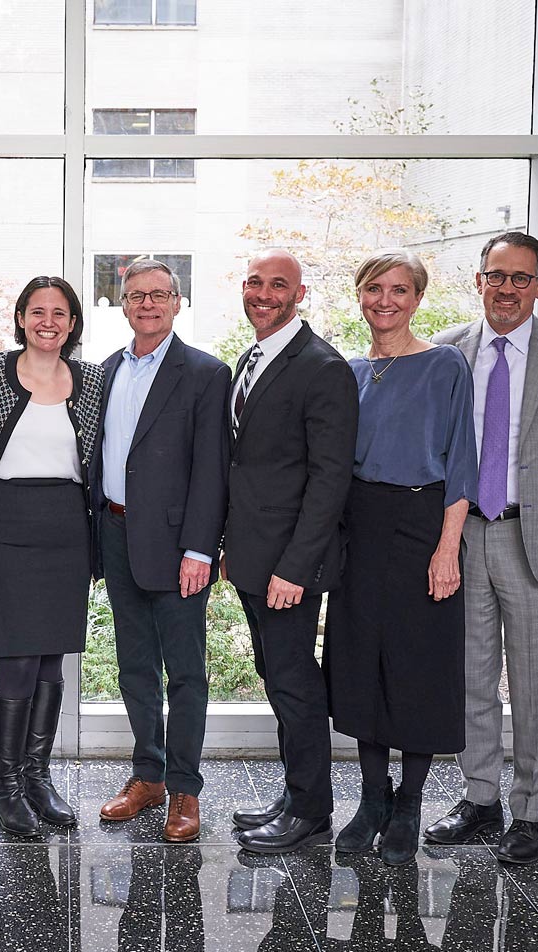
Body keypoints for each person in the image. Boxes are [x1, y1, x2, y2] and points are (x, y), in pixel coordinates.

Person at [426, 231, 538, 864]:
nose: (507, 289)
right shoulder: (448, 352)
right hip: (464, 534)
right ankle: (480, 796)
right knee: (471, 676)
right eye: (497, 276)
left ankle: (531, 809)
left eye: (521, 278)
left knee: (531, 683)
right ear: (479, 280)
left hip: (537, 537)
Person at [327, 250, 478, 865]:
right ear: (359, 296)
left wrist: (448, 548)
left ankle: (410, 801)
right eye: (374, 289)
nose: (385, 300)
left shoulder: (445, 366)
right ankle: (371, 799)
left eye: (399, 290)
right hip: (360, 526)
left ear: (417, 299)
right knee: (362, 662)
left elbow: (462, 462)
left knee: (419, 668)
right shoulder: (350, 372)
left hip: (424, 523)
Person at [222, 249, 358, 854]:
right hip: (254, 555)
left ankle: (310, 809)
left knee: (295, 680)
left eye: (278, 285)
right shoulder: (251, 358)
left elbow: (330, 479)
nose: (264, 294)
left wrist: (294, 568)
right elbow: (250, 466)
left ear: (300, 293)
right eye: (255, 283)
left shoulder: (321, 366)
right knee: (276, 675)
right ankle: (292, 792)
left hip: (288, 566)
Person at [94, 259, 230, 843]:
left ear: (178, 302)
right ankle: (147, 776)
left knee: (187, 675)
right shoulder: (105, 371)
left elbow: (211, 472)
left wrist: (201, 548)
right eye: (136, 295)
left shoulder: (204, 373)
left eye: (159, 294)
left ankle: (185, 790)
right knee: (134, 669)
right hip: (116, 536)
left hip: (178, 547)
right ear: (122, 304)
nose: (147, 304)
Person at [0, 276, 105, 836]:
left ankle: (38, 777)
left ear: (73, 323)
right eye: (38, 311)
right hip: (4, 523)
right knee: (18, 658)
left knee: (52, 658)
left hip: (68, 527)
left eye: (61, 313)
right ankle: (5, 786)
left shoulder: (92, 380)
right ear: (20, 316)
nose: (49, 321)